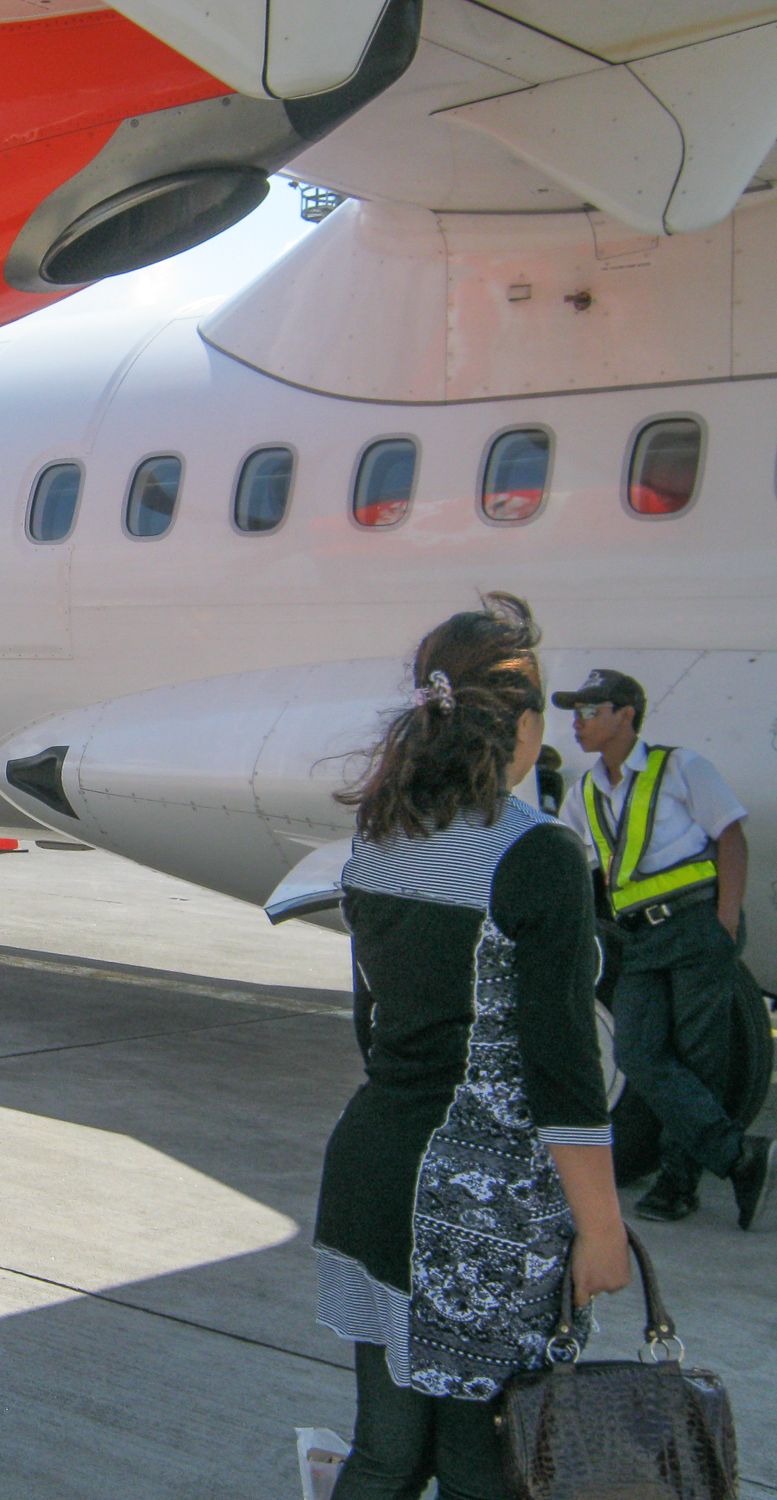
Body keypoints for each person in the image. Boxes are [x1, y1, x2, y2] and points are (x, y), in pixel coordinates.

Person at [316, 594, 630, 1500]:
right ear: (523, 725)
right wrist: (603, 1229)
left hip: (374, 1172)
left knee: (386, 1455)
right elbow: (564, 1070)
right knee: (478, 1470)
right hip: (476, 1213)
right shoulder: (537, 854)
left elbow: (374, 1027)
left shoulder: (379, 837)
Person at [551, 667, 773, 1228]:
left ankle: (678, 1185)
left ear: (625, 715)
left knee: (699, 1058)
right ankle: (740, 1157)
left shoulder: (681, 767)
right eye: (575, 712)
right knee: (637, 1053)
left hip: (697, 923)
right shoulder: (584, 793)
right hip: (641, 938)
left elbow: (731, 837)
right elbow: (571, 861)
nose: (578, 723)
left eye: (590, 711)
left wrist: (725, 922)